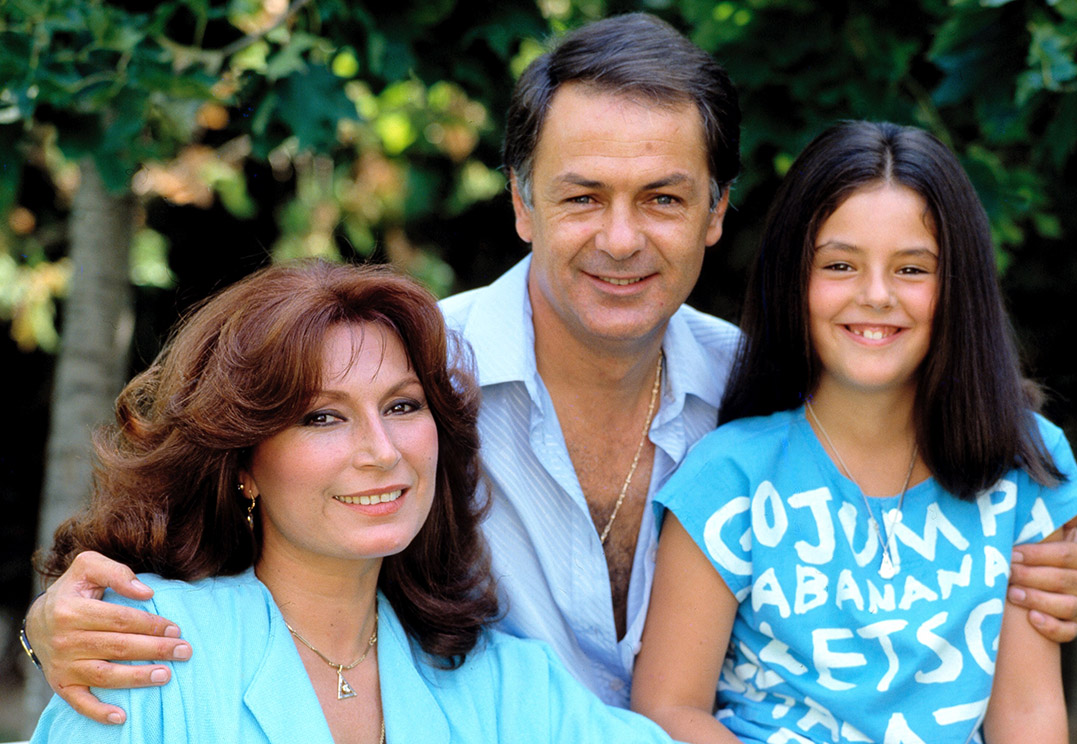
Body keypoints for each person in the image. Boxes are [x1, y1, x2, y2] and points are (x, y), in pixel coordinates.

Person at [20, 13, 1077, 721]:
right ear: (523, 202)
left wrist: (1040, 557)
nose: (620, 239)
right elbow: (226, 517)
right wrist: (53, 622)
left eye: (664, 198)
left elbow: (941, 506)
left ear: (718, 214)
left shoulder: (769, 392)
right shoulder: (399, 382)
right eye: (582, 196)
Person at [28, 261, 675, 743]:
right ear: (243, 462)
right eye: (321, 417)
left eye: (402, 406)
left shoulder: (503, 682)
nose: (382, 450)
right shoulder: (145, 644)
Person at [630, 121, 1077, 743]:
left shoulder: (1025, 464)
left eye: (912, 269)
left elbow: (1029, 715)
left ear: (958, 287)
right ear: (794, 279)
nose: (876, 296)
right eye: (840, 265)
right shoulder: (729, 476)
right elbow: (668, 708)